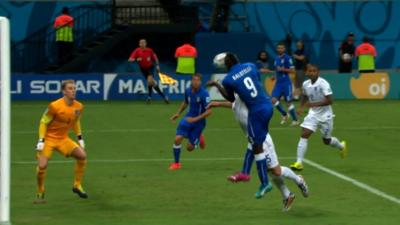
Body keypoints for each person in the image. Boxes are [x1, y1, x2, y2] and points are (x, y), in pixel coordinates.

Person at [206, 85, 309, 212]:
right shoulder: (238, 100)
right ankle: (288, 195)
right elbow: (233, 104)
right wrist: (216, 104)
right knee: (269, 171)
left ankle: (299, 180)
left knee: (275, 171)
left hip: (262, 140)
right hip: (253, 141)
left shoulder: (248, 100)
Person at [220, 52, 273, 199]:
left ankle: (264, 183)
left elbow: (231, 98)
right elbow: (257, 80)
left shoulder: (228, 80)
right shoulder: (250, 65)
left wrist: (218, 86)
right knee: (254, 142)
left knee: (257, 147)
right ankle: (245, 173)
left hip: (256, 112)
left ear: (227, 65)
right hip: (267, 106)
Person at [34, 80, 88, 203]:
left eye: (74, 88)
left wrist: (80, 137)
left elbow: (75, 121)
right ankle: (40, 191)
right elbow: (43, 122)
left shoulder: (79, 106)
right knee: (42, 166)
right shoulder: (54, 106)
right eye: (70, 88)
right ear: (63, 91)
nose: (73, 90)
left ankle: (77, 185)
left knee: (82, 156)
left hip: (63, 139)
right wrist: (41, 140)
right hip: (49, 139)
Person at [290, 64, 348, 171]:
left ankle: (341, 146)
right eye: (310, 71)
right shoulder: (306, 84)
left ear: (318, 72)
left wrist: (314, 104)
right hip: (313, 114)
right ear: (306, 73)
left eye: (314, 71)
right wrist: (301, 107)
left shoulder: (323, 84)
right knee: (304, 134)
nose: (312, 73)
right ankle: (299, 162)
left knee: (326, 140)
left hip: (326, 116)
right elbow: (305, 96)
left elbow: (330, 100)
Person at [169, 74, 211, 170]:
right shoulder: (188, 91)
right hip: (187, 119)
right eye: (194, 80)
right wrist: (178, 113)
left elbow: (209, 111)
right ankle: (176, 163)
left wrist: (195, 119)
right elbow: (185, 102)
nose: (196, 82)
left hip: (199, 123)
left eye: (198, 80)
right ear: (191, 81)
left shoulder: (204, 94)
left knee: (189, 148)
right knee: (177, 139)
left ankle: (199, 137)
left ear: (200, 82)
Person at [128, 39, 169, 104]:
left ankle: (150, 97)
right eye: (141, 43)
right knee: (151, 83)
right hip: (143, 69)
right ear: (139, 44)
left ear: (146, 44)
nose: (142, 44)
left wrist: (157, 65)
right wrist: (136, 59)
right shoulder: (137, 51)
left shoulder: (149, 50)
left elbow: (155, 57)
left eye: (143, 43)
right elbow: (130, 59)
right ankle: (163, 96)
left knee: (150, 81)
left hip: (150, 68)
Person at [272, 43, 299, 126]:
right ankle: (284, 114)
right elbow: (277, 70)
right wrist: (275, 75)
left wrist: (283, 69)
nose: (280, 49)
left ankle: (295, 120)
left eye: (281, 48)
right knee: (273, 100)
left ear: (284, 49)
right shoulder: (276, 58)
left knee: (288, 103)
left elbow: (293, 70)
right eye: (278, 48)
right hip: (278, 83)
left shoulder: (288, 58)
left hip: (286, 83)